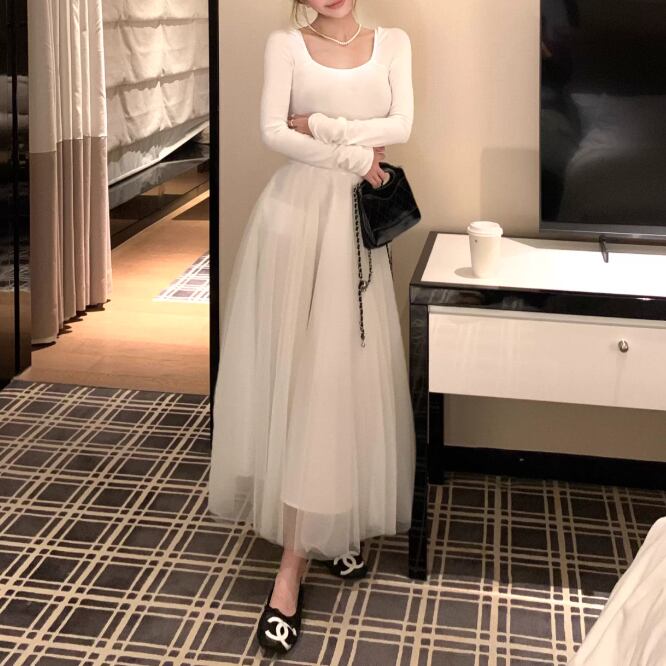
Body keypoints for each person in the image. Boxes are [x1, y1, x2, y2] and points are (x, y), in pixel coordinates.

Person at [207, 0, 416, 653]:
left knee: (346, 373)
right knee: (305, 379)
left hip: (356, 230)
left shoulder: (394, 41)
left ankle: (332, 523)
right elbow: (274, 132)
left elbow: (403, 123)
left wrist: (321, 125)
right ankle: (290, 568)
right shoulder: (285, 43)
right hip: (295, 226)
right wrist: (355, 155)